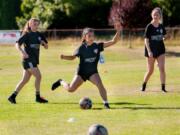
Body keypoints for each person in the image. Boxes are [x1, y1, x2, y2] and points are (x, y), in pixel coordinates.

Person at [51, 22, 121, 109]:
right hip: (81, 73)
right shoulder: (81, 48)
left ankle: (106, 104)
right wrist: (64, 56)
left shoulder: (97, 46)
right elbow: (73, 57)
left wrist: (118, 31)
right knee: (70, 89)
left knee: (100, 85)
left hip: (92, 72)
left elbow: (113, 41)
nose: (92, 38)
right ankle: (61, 81)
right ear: (85, 37)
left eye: (92, 36)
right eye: (89, 36)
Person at [8, 18, 48, 104]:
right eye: (34, 24)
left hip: (34, 60)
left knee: (24, 80)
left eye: (37, 24)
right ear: (29, 24)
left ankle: (12, 96)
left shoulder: (39, 34)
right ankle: (37, 97)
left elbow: (46, 46)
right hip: (28, 60)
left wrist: (43, 43)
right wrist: (22, 52)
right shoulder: (26, 34)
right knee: (39, 76)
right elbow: (17, 44)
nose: (36, 26)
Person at [141, 7, 169, 92]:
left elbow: (164, 35)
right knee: (150, 71)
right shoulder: (149, 26)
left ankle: (163, 88)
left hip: (161, 50)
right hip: (151, 51)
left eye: (157, 14)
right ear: (152, 15)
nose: (155, 16)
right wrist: (149, 51)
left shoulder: (161, 26)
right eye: (154, 14)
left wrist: (164, 38)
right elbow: (146, 40)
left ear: (160, 16)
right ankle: (144, 85)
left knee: (162, 68)